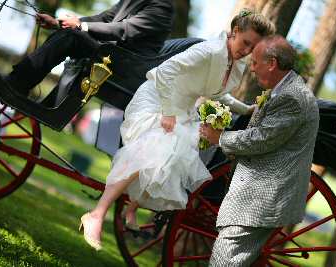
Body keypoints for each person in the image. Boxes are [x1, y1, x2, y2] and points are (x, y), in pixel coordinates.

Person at [78, 9, 275, 251]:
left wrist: (244, 109)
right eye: (245, 43)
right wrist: (169, 112)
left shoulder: (234, 62)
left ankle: (131, 206)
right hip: (158, 99)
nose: (246, 50)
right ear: (235, 32)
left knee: (172, 159)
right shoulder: (208, 51)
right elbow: (165, 72)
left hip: (181, 110)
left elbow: (218, 93)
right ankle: (96, 214)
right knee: (153, 148)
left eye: (252, 47)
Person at [200, 35, 320, 266]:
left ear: (272, 63)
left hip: (262, 200)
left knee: (223, 260)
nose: (252, 69)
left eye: (255, 62)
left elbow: (262, 139)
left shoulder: (292, 97)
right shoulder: (285, 90)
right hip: (256, 196)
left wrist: (219, 137)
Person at [5, 0, 174, 96]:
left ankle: (16, 84)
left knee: (72, 36)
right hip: (112, 56)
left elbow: (123, 30)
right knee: (70, 32)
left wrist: (80, 25)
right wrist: (58, 23)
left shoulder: (161, 6)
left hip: (126, 67)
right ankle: (20, 81)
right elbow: (103, 18)